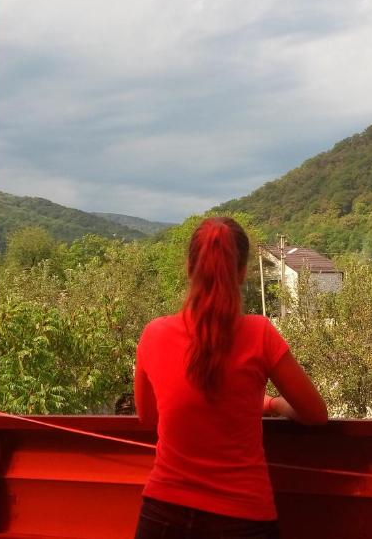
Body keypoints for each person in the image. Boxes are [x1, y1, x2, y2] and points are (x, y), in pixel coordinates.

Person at [134, 216, 328, 539]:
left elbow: (147, 417)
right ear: (241, 273)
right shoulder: (260, 335)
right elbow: (316, 414)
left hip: (163, 515)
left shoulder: (153, 335)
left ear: (188, 268)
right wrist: (273, 405)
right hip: (242, 519)